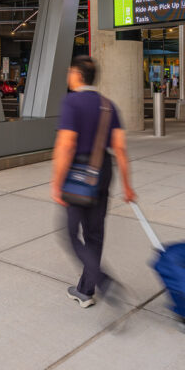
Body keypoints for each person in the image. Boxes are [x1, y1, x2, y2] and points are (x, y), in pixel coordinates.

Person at [50, 55, 136, 308]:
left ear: (77, 74)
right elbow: (120, 149)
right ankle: (84, 290)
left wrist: (57, 183)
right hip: (103, 170)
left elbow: (66, 145)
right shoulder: (108, 106)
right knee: (95, 234)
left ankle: (102, 281)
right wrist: (128, 186)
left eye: (69, 72)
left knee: (69, 233)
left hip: (78, 173)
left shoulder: (72, 102)